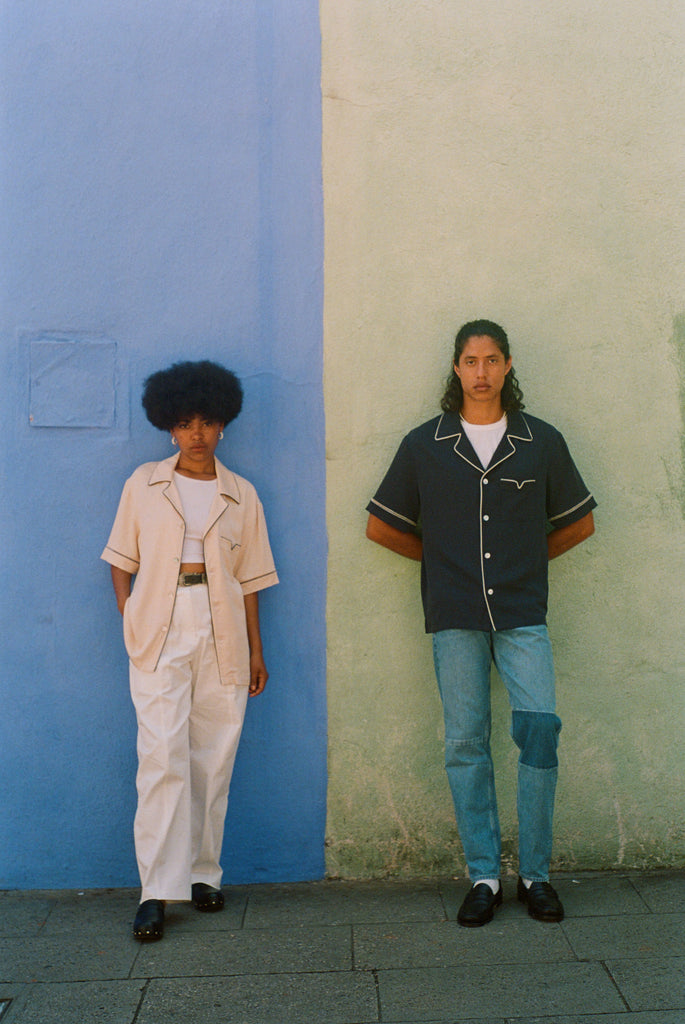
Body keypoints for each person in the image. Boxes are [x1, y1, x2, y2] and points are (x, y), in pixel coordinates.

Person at [366, 320, 596, 927]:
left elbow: (579, 522)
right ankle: (484, 876)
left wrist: (526, 563)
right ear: (457, 368)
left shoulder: (540, 441)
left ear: (508, 365)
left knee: (540, 729)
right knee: (465, 743)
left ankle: (536, 876)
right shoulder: (426, 444)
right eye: (471, 361)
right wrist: (444, 565)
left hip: (522, 613)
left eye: (492, 359)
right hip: (455, 613)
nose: (482, 372)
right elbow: (381, 526)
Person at [102, 360, 278, 941]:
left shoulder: (241, 495)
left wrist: (255, 651)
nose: (196, 433)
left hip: (222, 626)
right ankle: (156, 890)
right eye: (184, 423)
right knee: (161, 757)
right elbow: (120, 560)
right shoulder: (144, 484)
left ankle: (203, 874)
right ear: (169, 427)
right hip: (160, 625)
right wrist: (132, 615)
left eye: (205, 421)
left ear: (222, 424)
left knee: (213, 756)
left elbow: (251, 580)